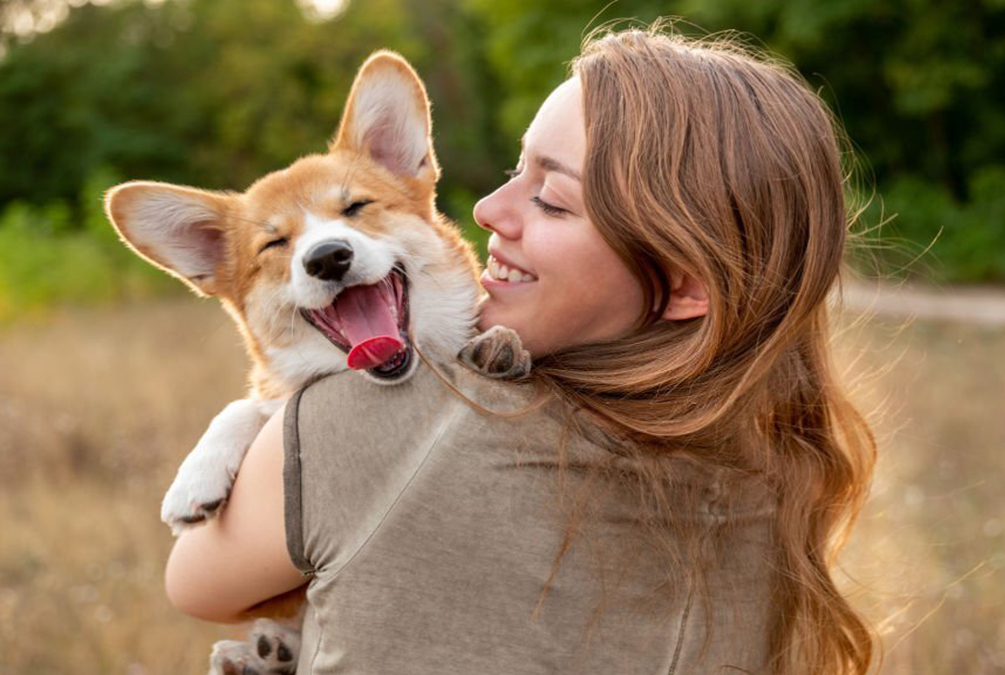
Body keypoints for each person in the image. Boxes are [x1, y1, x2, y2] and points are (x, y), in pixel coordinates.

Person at [165, 25, 877, 675]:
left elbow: (194, 582)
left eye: (553, 199)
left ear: (686, 281)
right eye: (516, 169)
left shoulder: (368, 423)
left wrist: (261, 428)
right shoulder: (778, 479)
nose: (484, 211)